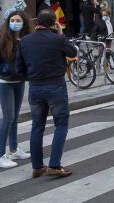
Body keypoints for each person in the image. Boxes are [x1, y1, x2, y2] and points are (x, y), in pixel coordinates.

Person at [17, 9, 77, 178]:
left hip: (35, 86)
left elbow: (19, 66)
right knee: (61, 124)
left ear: (37, 23)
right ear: (53, 23)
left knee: (37, 126)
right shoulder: (58, 39)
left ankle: (37, 166)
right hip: (55, 85)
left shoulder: (25, 41)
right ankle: (55, 165)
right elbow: (73, 53)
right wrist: (60, 33)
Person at [0, 8, 31, 168]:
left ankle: (14, 149)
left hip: (20, 82)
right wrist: (3, 70)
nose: (15, 23)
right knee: (8, 118)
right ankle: (0, 156)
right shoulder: (1, 40)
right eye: (12, 20)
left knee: (15, 117)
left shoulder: (26, 39)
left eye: (18, 21)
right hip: (5, 83)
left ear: (24, 23)